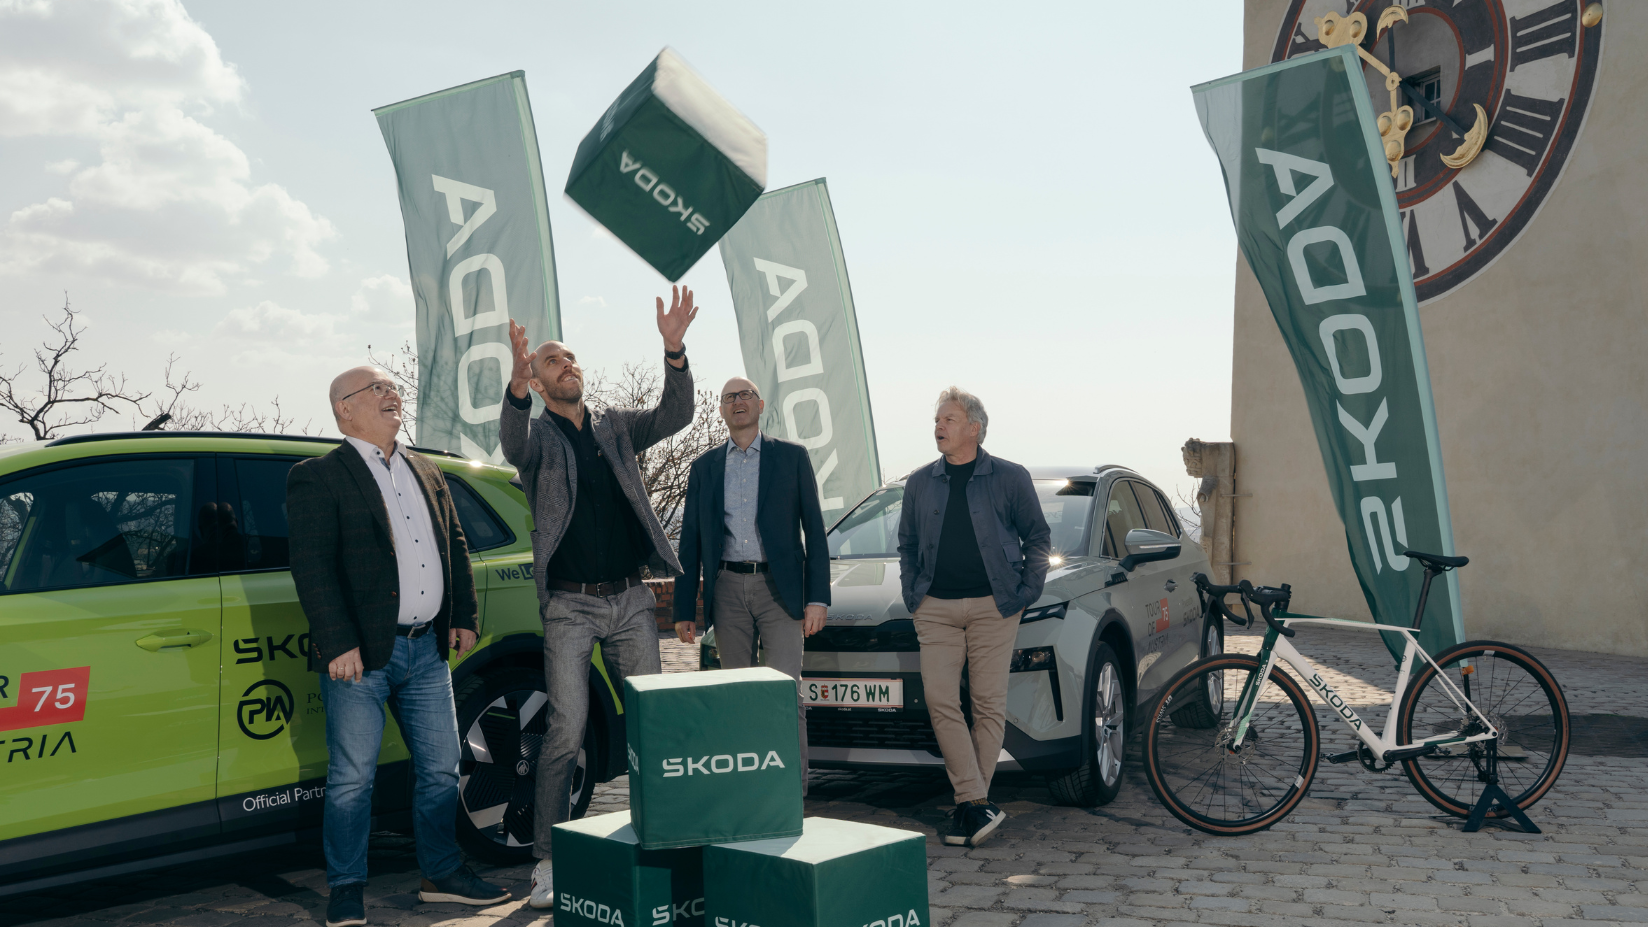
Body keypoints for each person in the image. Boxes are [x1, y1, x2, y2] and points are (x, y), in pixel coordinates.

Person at [498, 286, 699, 910]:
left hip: (631, 599)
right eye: (553, 360)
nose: (568, 364)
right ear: (538, 378)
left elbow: (675, 415)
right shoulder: (538, 440)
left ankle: (662, 835)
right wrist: (515, 389)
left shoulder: (615, 425)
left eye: (571, 357)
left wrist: (673, 351)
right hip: (570, 605)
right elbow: (512, 444)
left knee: (650, 721)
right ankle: (547, 861)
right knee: (567, 729)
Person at [287, 366, 510, 927]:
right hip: (360, 657)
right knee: (351, 780)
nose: (393, 395)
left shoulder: (426, 469)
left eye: (394, 388)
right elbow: (312, 568)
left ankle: (441, 874)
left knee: (440, 770)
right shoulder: (319, 476)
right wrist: (338, 643)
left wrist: (463, 616)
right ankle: (346, 888)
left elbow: (453, 543)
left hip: (428, 649)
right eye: (378, 389)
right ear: (344, 409)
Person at [896, 387, 1050, 849]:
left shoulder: (1010, 477)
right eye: (937, 420)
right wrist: (913, 594)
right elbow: (907, 544)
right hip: (935, 608)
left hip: (993, 606)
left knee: (987, 705)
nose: (938, 427)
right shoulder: (919, 482)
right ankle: (974, 801)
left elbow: (1038, 537)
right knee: (940, 699)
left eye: (948, 419)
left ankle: (969, 805)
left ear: (974, 428)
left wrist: (1025, 593)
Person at [673, 378, 830, 793]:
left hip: (780, 589)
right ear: (721, 410)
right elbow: (690, 540)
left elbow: (815, 531)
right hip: (726, 589)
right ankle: (746, 792)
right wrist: (684, 609)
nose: (737, 401)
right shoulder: (704, 467)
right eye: (729, 397)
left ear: (760, 406)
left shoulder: (792, 457)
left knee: (784, 692)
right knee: (736, 694)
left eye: (745, 395)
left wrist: (817, 598)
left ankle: (791, 792)